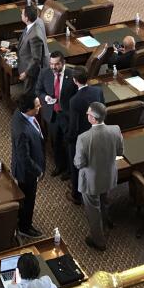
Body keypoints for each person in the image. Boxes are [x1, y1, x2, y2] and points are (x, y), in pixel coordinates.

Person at [75, 101, 124, 251]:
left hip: (90, 181)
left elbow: (79, 163)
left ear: (93, 118)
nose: (86, 115)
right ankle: (107, 221)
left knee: (93, 210)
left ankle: (99, 240)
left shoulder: (83, 138)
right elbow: (120, 152)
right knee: (104, 200)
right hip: (108, 176)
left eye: (88, 113)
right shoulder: (115, 130)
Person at [10, 92, 45, 238]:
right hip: (27, 172)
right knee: (28, 199)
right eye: (37, 106)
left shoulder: (20, 112)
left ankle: (21, 219)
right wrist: (38, 171)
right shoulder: (22, 131)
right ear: (28, 110)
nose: (40, 107)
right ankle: (25, 226)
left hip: (30, 165)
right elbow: (24, 158)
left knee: (26, 198)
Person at [65, 73, 103, 205]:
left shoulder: (74, 100)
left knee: (76, 166)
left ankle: (76, 194)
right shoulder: (98, 91)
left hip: (80, 139)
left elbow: (74, 126)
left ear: (75, 81)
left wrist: (69, 138)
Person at [37, 51, 77, 177]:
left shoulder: (72, 74)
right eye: (51, 64)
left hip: (67, 116)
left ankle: (70, 170)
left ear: (63, 63)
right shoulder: (45, 72)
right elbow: (38, 90)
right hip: (52, 114)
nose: (53, 67)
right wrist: (45, 98)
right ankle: (59, 166)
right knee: (55, 142)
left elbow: (77, 95)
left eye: (57, 64)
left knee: (69, 144)